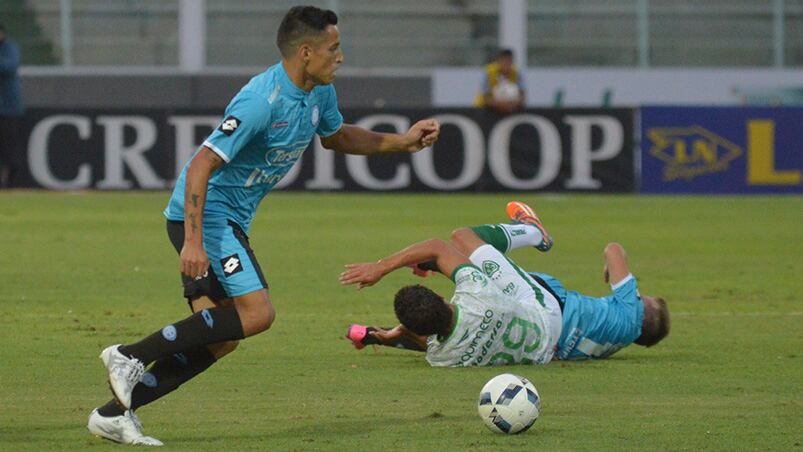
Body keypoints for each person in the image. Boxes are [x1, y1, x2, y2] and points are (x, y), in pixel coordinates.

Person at [87, 6, 441, 446]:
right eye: (333, 48)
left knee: (219, 339)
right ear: (306, 52)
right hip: (205, 216)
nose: (341, 56)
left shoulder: (318, 92)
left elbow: (336, 137)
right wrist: (193, 242)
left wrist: (403, 142)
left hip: (227, 220)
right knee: (257, 313)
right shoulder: (261, 101)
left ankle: (114, 414)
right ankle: (129, 355)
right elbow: (200, 165)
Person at [341, 201, 670, 366]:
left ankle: (533, 233)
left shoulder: (443, 357)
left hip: (547, 323)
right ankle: (529, 233)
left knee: (464, 244)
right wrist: (385, 272)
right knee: (462, 248)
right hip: (542, 323)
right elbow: (433, 334)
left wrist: (382, 273)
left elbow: (614, 251)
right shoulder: (448, 346)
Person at [0, 23, 24, 188]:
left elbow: (9, 66)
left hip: (9, 109)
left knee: (9, 149)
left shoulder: (10, 48)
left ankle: (10, 183)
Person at [474, 48, 525, 115]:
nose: (506, 64)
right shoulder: (489, 72)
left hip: (509, 110)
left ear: (512, 62)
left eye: (508, 61)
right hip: (484, 110)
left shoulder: (516, 74)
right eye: (504, 61)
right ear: (499, 61)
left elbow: (522, 95)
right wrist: (500, 104)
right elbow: (485, 97)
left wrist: (513, 104)